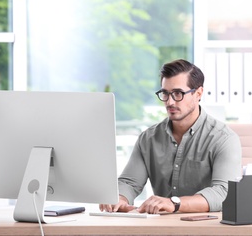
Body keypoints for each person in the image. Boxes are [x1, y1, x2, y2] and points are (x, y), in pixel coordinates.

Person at [99, 59, 242, 214]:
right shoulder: (148, 138)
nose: (170, 102)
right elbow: (130, 182)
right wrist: (120, 198)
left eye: (178, 94)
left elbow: (223, 193)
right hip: (160, 227)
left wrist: (174, 203)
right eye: (165, 94)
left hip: (205, 227)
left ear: (198, 93)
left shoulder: (224, 139)